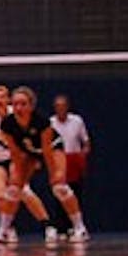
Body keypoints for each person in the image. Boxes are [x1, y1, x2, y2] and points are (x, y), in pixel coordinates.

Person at [0, 87, 87, 246]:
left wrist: (53, 175)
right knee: (14, 189)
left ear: (31, 106)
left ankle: (80, 228)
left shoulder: (42, 122)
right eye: (15, 104)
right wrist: (19, 177)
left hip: (52, 148)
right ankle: (3, 230)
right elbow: (15, 153)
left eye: (23, 104)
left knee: (59, 187)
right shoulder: (7, 124)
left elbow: (47, 151)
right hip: (29, 152)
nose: (18, 108)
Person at [0, 85, 54, 238]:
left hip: (15, 157)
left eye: (2, 97)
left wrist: (34, 158)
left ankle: (47, 225)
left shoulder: (16, 113)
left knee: (24, 191)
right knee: (0, 196)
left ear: (8, 99)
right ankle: (7, 229)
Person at [44, 94, 93, 239]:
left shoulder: (77, 121)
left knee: (75, 193)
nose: (60, 109)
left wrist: (83, 154)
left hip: (74, 159)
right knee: (59, 193)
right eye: (58, 107)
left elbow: (86, 142)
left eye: (63, 106)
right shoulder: (50, 123)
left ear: (67, 107)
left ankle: (75, 227)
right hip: (58, 160)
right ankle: (61, 228)